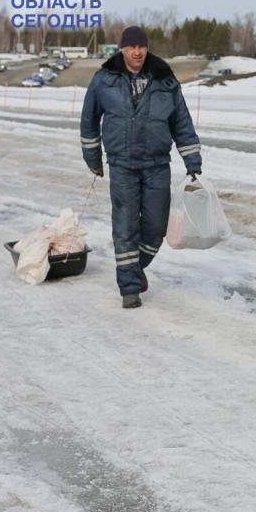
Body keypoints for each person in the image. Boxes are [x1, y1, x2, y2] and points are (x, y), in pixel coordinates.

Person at [80, 26, 203, 309]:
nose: (137, 52)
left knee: (156, 227)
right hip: (122, 163)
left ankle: (134, 268)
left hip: (157, 164)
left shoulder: (165, 80)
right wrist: (93, 157)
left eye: (142, 46)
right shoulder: (104, 80)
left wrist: (192, 160)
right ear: (121, 49)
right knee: (125, 228)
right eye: (131, 46)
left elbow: (182, 123)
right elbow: (89, 121)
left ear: (147, 49)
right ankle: (129, 288)